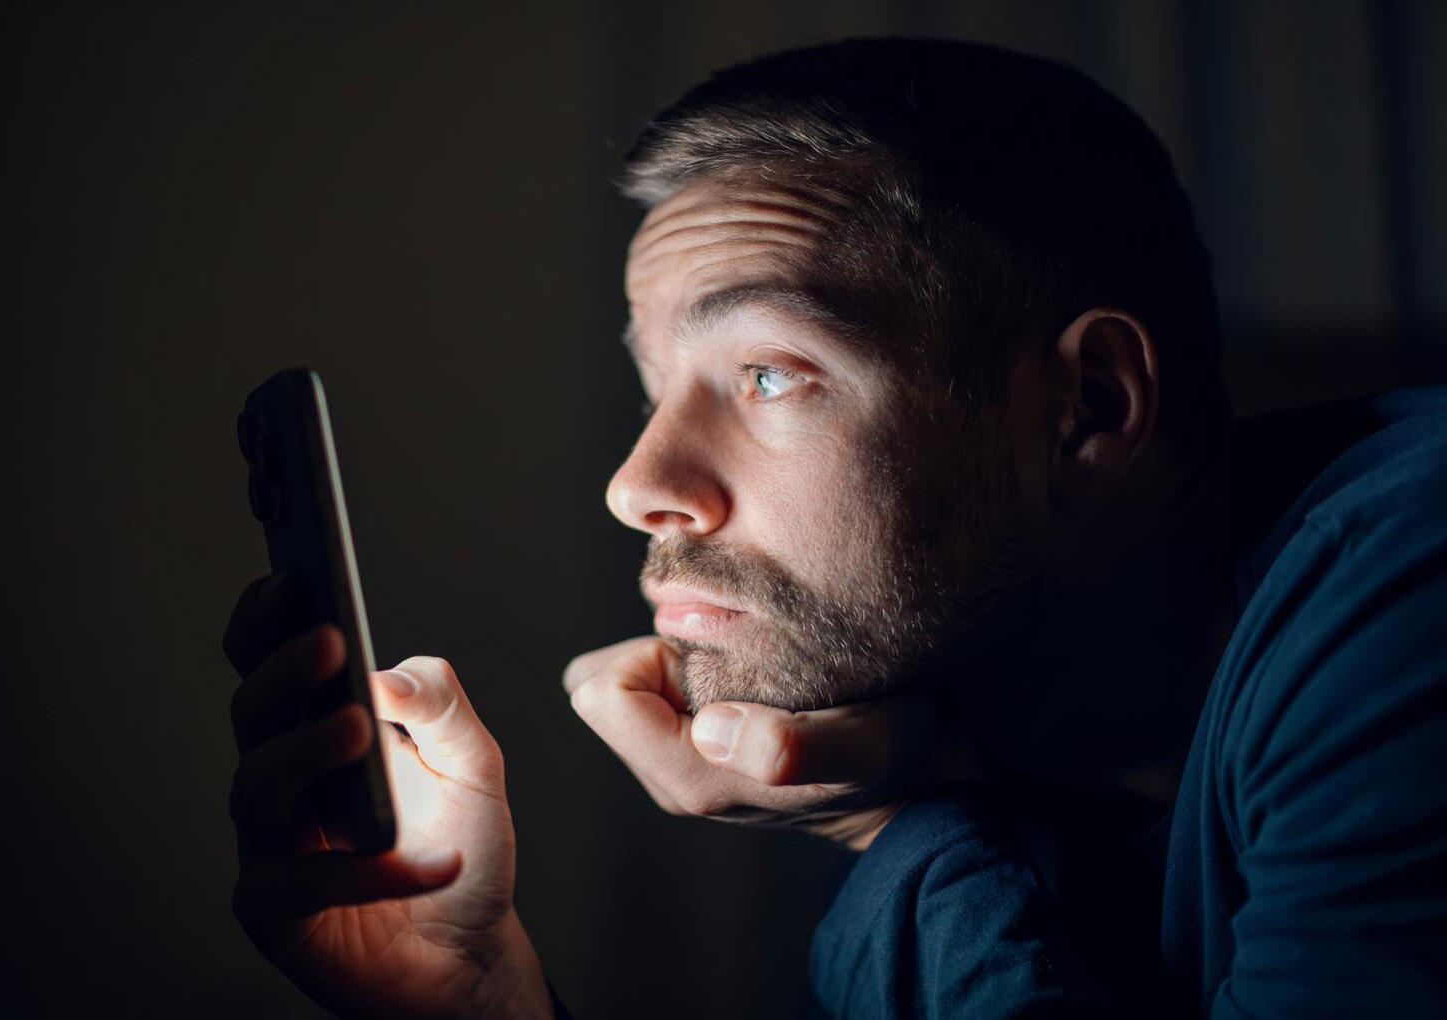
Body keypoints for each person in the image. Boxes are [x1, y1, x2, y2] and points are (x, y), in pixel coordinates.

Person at [221, 38, 1447, 1018]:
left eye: (768, 375)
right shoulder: (1013, 744)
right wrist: (485, 1000)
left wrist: (899, 837)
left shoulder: (1410, 584)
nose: (639, 484)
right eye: (657, 391)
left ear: (1087, 408)